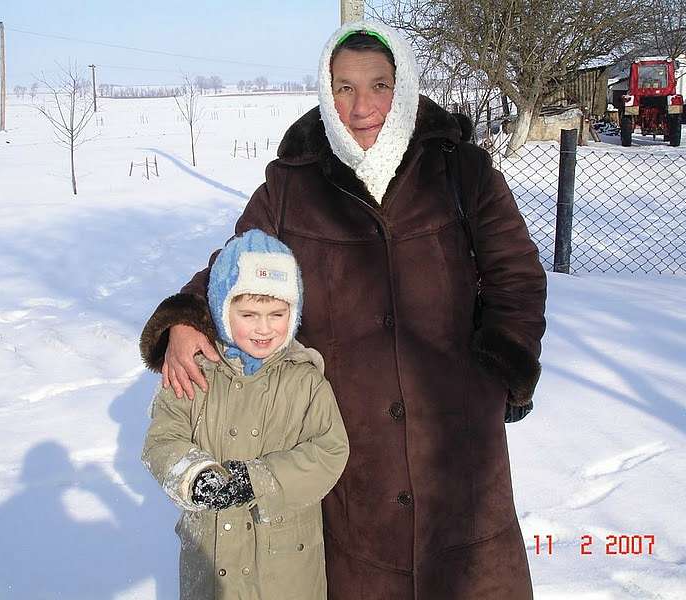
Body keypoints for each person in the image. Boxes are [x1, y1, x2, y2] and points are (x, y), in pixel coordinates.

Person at [140, 20, 546, 599]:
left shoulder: (461, 170)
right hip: (350, 442)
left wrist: (499, 370)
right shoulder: (293, 186)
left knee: (472, 578)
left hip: (455, 432)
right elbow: (236, 266)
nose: (362, 107)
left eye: (379, 85)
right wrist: (185, 319)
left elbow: (517, 275)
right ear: (326, 93)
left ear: (402, 88)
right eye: (344, 88)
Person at [142, 229, 349, 600]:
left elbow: (330, 450)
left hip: (287, 572)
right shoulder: (196, 372)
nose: (264, 328)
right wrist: (194, 475)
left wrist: (259, 480)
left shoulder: (305, 380)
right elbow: (162, 439)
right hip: (212, 559)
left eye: (277, 314)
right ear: (223, 310)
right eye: (249, 314)